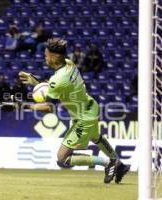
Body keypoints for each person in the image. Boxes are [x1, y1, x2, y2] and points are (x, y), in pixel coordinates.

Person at [18, 38, 130, 184]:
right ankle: (119, 164)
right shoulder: (69, 64)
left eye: (46, 55)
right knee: (96, 138)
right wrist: (36, 81)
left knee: (62, 158)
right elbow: (58, 87)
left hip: (83, 117)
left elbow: (48, 107)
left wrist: (23, 106)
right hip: (90, 107)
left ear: (53, 57)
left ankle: (108, 163)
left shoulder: (57, 79)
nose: (45, 57)